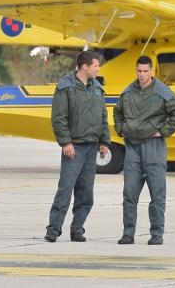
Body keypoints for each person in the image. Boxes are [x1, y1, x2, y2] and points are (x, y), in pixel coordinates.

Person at [113, 55, 175, 246]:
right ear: (136, 70)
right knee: (129, 194)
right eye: (139, 71)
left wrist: (162, 131)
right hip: (132, 150)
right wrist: (121, 129)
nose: (142, 75)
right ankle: (128, 233)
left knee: (157, 195)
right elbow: (117, 112)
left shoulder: (163, 92)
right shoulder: (127, 92)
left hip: (154, 149)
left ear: (152, 71)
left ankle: (156, 234)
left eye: (146, 71)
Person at [44, 50, 111, 243]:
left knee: (86, 192)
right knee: (65, 190)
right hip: (74, 147)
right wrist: (65, 142)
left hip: (92, 147)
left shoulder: (97, 87)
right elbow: (58, 118)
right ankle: (53, 229)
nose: (98, 69)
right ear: (85, 66)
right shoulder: (66, 87)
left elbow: (102, 116)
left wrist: (104, 141)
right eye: (96, 65)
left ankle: (78, 229)